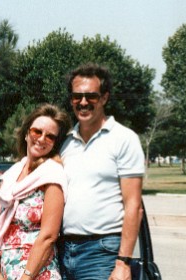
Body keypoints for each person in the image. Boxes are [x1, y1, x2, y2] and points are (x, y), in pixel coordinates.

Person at [58, 63, 145, 280]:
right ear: (71, 100)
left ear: (104, 98)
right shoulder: (64, 142)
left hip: (102, 253)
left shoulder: (124, 139)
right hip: (61, 250)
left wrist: (123, 262)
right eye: (77, 96)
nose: (84, 102)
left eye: (91, 96)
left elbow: (133, 205)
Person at [0, 104, 72, 280]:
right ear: (26, 134)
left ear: (55, 143)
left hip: (37, 273)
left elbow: (48, 236)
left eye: (50, 136)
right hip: (3, 271)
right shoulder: (11, 176)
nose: (41, 139)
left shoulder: (52, 176)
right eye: (37, 132)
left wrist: (25, 278)